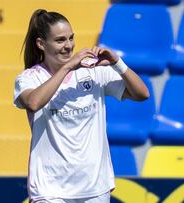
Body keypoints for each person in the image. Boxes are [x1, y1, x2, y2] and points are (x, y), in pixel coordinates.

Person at [14, 9, 150, 203]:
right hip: (50, 188)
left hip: (94, 187)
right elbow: (34, 102)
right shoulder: (29, 78)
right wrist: (68, 67)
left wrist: (116, 62)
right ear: (41, 44)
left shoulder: (94, 71)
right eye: (60, 40)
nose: (69, 46)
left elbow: (142, 94)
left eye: (71, 38)